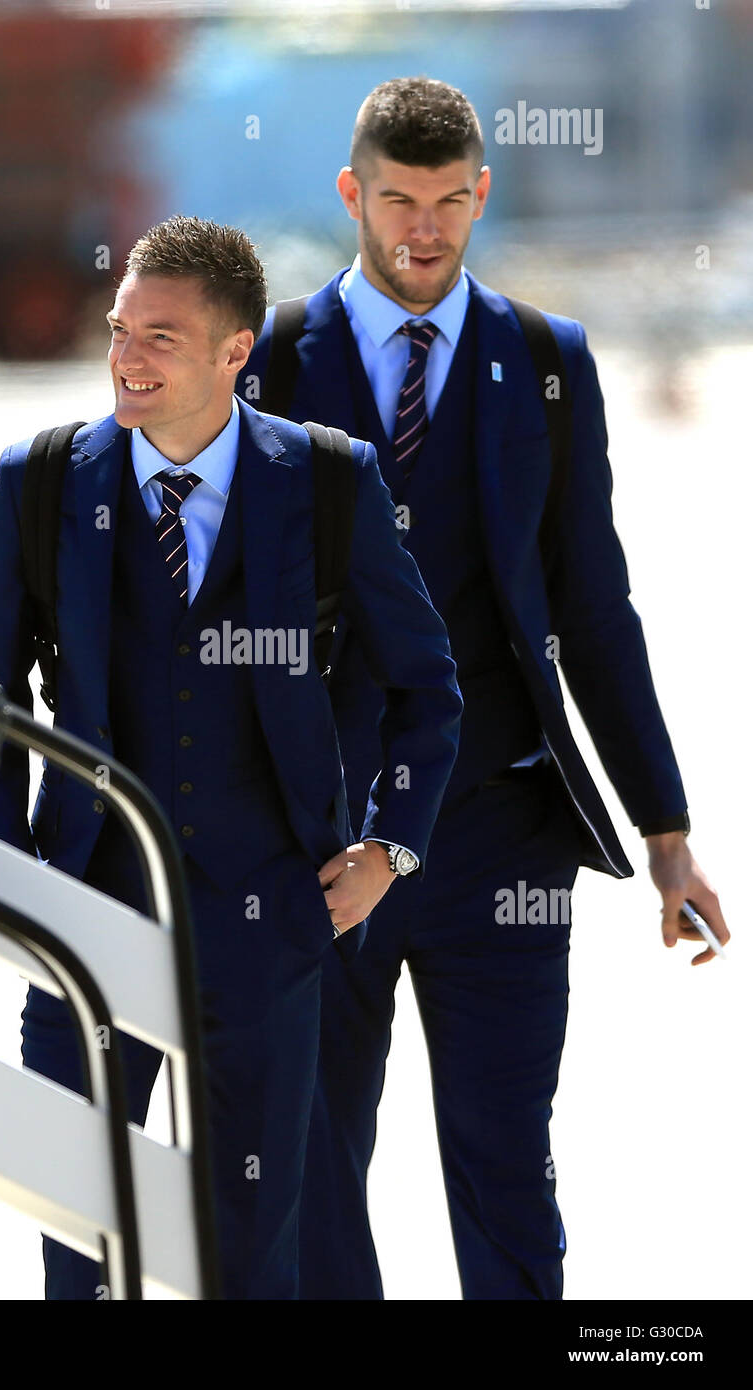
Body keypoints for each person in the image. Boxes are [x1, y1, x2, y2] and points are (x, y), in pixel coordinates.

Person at [241, 77, 731, 1300]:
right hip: (318, 843)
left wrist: (664, 832)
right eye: (397, 200)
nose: (423, 231)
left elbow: (592, 608)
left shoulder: (545, 363)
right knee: (307, 1170)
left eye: (449, 203)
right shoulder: (272, 360)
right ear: (352, 192)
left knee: (507, 1162)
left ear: (481, 196)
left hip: (503, 837)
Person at [0, 214, 463, 1300]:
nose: (125, 358)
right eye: (118, 330)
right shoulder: (40, 482)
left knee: (250, 1252)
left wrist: (389, 850)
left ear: (236, 351)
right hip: (83, 916)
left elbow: (425, 686)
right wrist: (7, 879)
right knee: (80, 1240)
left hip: (273, 918)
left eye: (161, 338)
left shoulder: (328, 484)